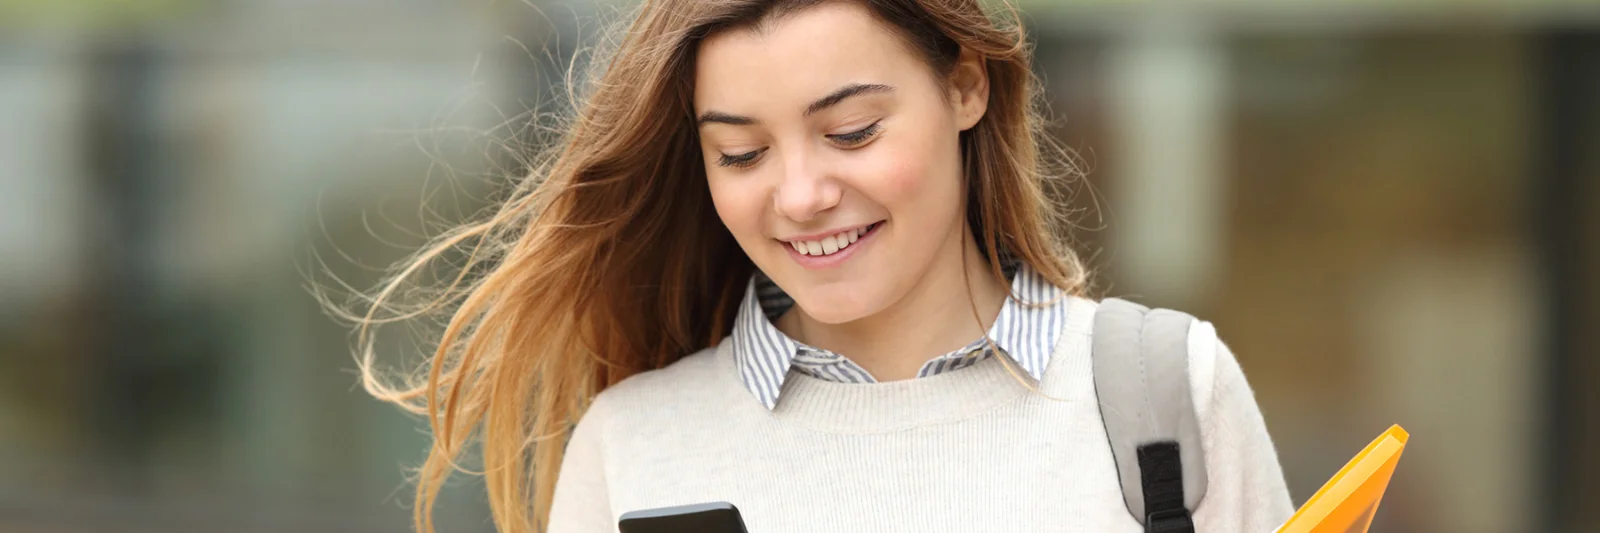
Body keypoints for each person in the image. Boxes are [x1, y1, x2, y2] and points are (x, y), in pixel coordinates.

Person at [352, 0, 1295, 531]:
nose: (799, 194)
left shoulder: (1164, 395)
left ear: (965, 85)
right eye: (742, 153)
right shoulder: (636, 444)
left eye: (850, 130)